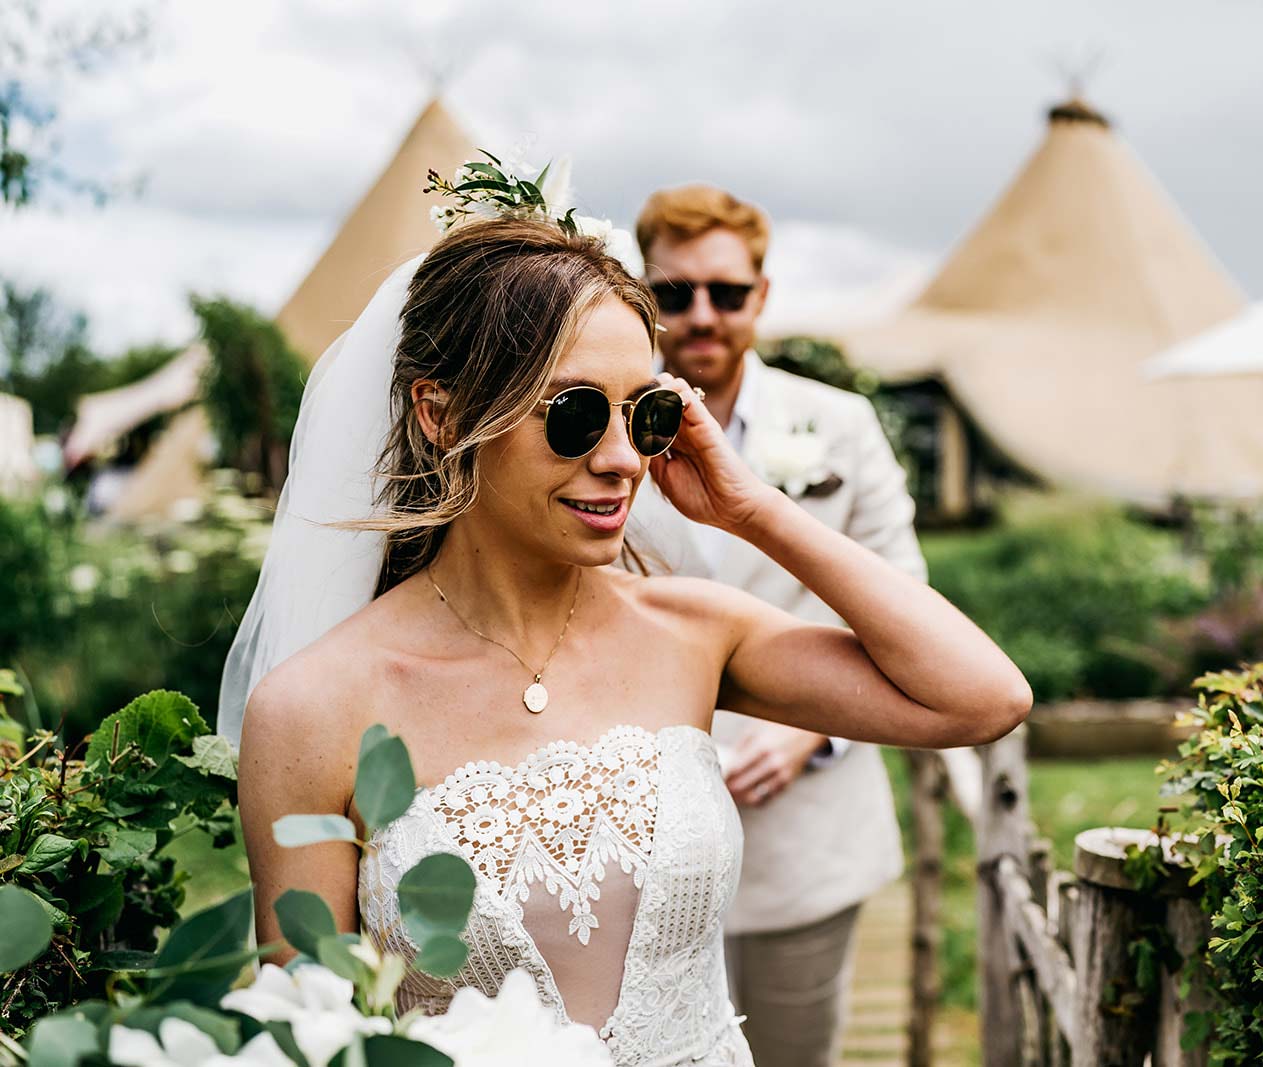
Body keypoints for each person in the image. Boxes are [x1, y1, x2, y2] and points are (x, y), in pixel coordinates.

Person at [225, 176, 1030, 1067]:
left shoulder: (692, 629)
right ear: (441, 413)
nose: (619, 460)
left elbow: (983, 698)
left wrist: (753, 508)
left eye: (643, 414)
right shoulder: (313, 709)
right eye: (572, 414)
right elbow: (310, 1039)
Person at [637, 183, 922, 1067]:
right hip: (640, 841)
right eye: (675, 292)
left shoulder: (839, 425)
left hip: (805, 832)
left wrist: (807, 733)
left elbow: (901, 594)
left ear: (761, 296)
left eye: (726, 292)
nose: (702, 314)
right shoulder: (596, 429)